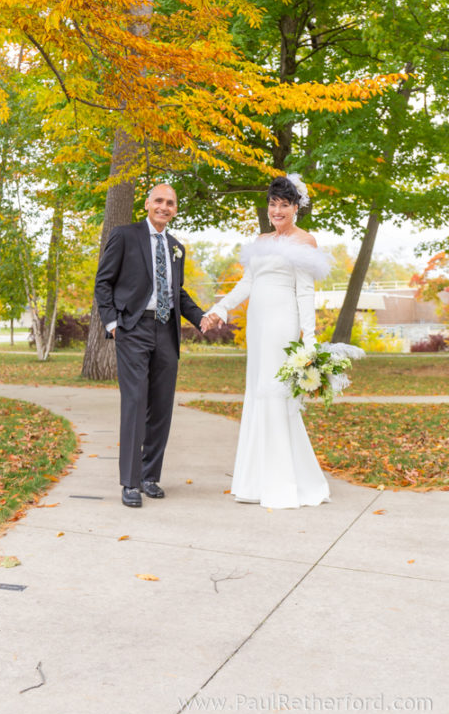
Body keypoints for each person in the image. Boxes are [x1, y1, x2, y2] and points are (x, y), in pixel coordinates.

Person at [201, 174, 331, 509]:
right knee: (258, 391)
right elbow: (246, 284)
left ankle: (283, 482)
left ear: (296, 207)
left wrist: (310, 340)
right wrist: (219, 308)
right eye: (272, 204)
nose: (276, 210)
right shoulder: (261, 240)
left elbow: (305, 292)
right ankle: (254, 481)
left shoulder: (305, 242)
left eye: (283, 204)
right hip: (258, 324)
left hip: (282, 322)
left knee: (276, 393)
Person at [94, 183, 205, 507]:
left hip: (166, 331)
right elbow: (104, 282)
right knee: (135, 401)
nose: (164, 206)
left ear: (175, 209)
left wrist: (201, 318)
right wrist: (114, 323)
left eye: (170, 202)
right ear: (147, 203)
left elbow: (178, 293)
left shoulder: (176, 247)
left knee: (161, 406)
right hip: (133, 328)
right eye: (159, 200)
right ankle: (129, 482)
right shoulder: (125, 235)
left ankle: (149, 476)